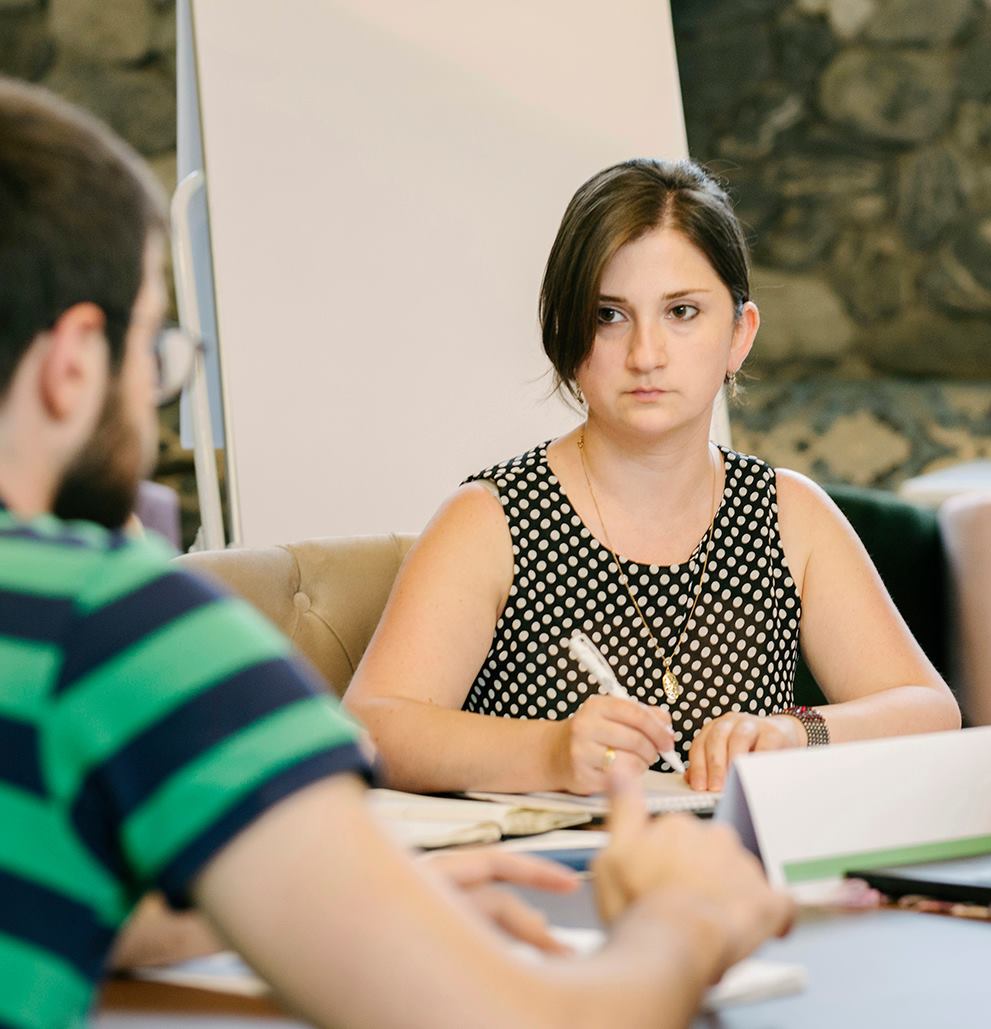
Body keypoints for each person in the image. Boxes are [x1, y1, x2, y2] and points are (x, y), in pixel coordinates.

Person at [0, 77, 790, 1029]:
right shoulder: (114, 634)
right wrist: (683, 922)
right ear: (74, 363)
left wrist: (345, 907)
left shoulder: (783, 508)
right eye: (154, 354)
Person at [344, 158, 959, 796]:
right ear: (566, 335)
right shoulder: (490, 518)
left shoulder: (788, 512)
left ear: (739, 334)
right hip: (565, 859)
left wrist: (799, 732)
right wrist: (549, 752)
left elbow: (929, 711)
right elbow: (369, 727)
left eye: (682, 311)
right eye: (609, 315)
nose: (645, 354)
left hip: (738, 858)